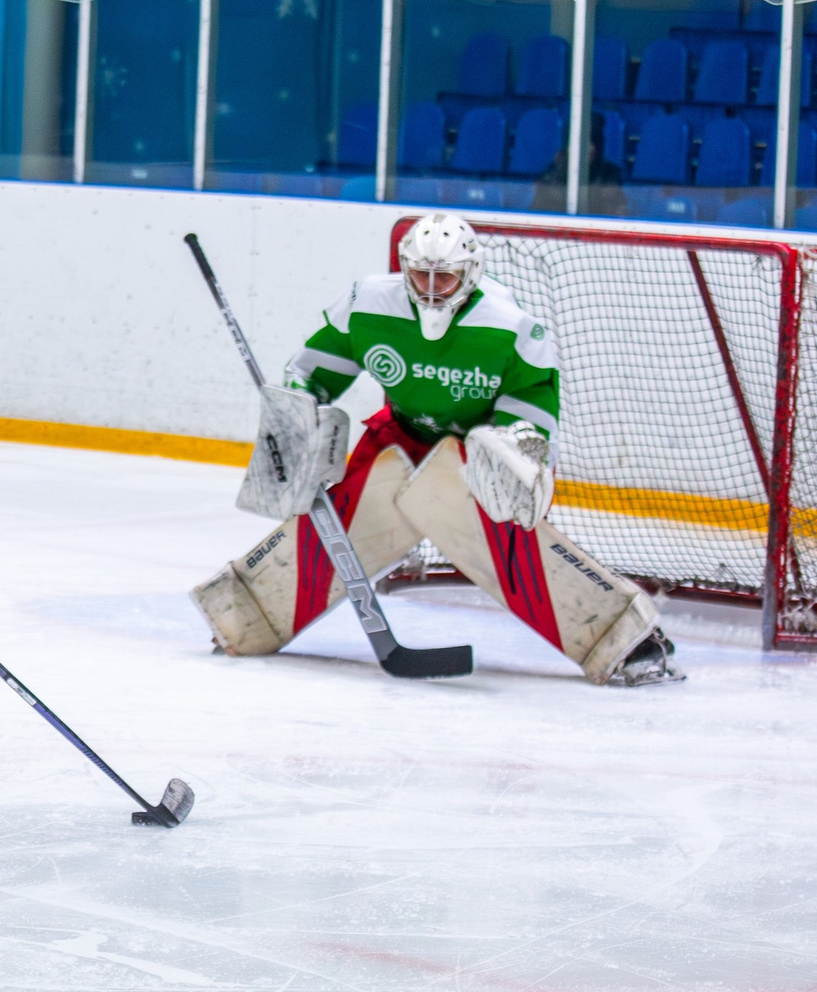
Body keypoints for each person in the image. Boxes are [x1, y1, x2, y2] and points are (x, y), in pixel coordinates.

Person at [191, 212, 681, 686]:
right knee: (337, 526)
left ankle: (626, 640)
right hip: (400, 435)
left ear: (470, 273)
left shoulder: (511, 325)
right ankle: (245, 617)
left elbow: (532, 413)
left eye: (443, 277)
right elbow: (316, 367)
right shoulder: (368, 303)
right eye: (419, 275)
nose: (429, 288)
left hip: (476, 452)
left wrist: (513, 451)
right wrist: (299, 408)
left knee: (510, 548)